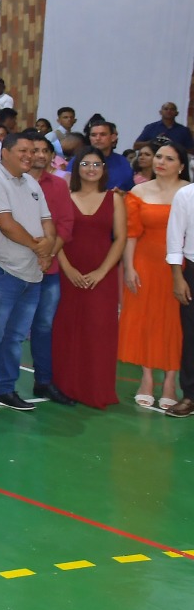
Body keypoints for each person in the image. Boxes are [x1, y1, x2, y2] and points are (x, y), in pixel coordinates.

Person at [0, 131, 56, 414]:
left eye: (34, 151)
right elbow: (5, 223)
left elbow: (47, 221)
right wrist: (38, 248)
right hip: (2, 271)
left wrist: (47, 248)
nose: (31, 156)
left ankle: (4, 388)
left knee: (15, 337)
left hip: (32, 273)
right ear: (5, 152)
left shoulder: (31, 182)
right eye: (24, 151)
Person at [51, 148, 126, 409]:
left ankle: (97, 390)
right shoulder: (65, 197)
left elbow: (120, 239)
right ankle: (66, 386)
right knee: (67, 329)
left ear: (104, 169)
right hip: (68, 273)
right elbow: (55, 237)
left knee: (99, 331)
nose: (91, 169)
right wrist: (68, 269)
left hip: (102, 275)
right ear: (77, 168)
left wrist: (102, 272)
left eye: (97, 164)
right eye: (85, 164)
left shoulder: (114, 199)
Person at [120, 140, 189, 411]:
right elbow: (131, 234)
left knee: (175, 321)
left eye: (169, 159)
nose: (161, 162)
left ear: (182, 166)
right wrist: (129, 267)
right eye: (158, 156)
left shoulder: (189, 193)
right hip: (145, 264)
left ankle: (171, 380)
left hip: (180, 267)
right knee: (145, 318)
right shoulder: (138, 191)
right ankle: (147, 378)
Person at [28, 138, 77, 405]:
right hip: (17, 266)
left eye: (45, 151)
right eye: (35, 150)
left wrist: (49, 253)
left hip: (50, 268)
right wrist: (37, 252)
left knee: (44, 326)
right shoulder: (15, 182)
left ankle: (43, 382)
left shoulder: (59, 185)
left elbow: (66, 225)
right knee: (8, 328)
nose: (40, 155)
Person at [164, 178, 194, 418]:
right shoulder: (186, 195)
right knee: (192, 336)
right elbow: (175, 238)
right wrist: (178, 277)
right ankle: (191, 395)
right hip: (192, 271)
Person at [87, 119, 135, 191]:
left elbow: (130, 191)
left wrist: (122, 194)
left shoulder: (123, 162)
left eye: (103, 134)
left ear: (113, 138)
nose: (97, 138)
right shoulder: (78, 161)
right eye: (93, 135)